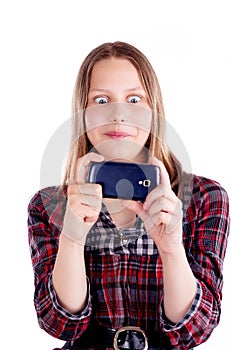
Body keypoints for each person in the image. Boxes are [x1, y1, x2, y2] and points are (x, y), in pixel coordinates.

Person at [28, 41, 230, 350]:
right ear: (83, 114)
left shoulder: (205, 197)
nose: (118, 114)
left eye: (134, 99)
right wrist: (72, 238)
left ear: (154, 112)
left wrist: (171, 248)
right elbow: (59, 322)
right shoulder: (49, 205)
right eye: (101, 100)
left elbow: (195, 329)